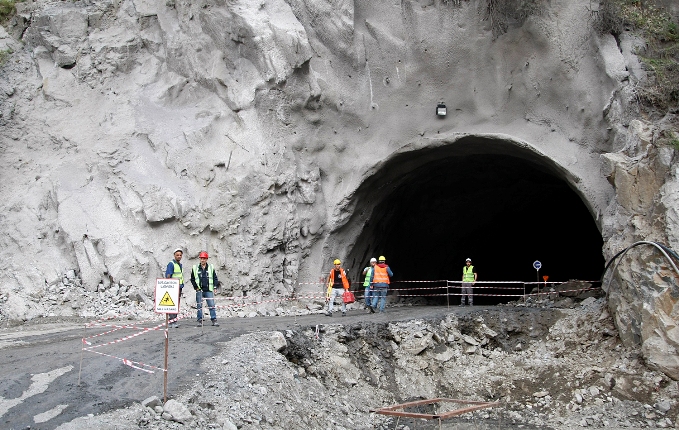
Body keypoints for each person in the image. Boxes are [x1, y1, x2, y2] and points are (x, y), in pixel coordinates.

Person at [190, 251, 220, 327]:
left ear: (206, 259)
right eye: (201, 258)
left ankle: (214, 320)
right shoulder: (195, 268)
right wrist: (196, 287)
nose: (202, 260)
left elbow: (215, 278)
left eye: (204, 259)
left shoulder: (210, 268)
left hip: (208, 290)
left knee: (211, 305)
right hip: (199, 290)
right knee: (199, 306)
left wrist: (215, 287)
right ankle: (200, 320)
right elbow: (192, 279)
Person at [164, 248, 184, 328]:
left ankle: (174, 320)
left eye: (180, 255)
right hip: (173, 287)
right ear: (174, 255)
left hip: (179, 287)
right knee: (173, 304)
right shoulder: (171, 264)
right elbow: (168, 276)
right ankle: (172, 321)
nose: (179, 256)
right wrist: (170, 286)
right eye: (177, 255)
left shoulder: (179, 264)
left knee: (176, 304)